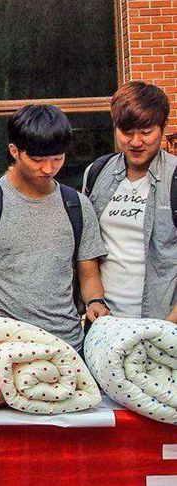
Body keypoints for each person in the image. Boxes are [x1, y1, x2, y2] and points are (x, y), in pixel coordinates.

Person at [0, 104, 109, 352]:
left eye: (57, 158)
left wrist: (95, 302)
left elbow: (88, 272)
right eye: (37, 159)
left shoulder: (77, 205)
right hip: (3, 348)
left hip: (67, 347)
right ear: (14, 150)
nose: (49, 168)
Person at [82, 81, 177, 322]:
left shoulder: (173, 177)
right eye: (127, 132)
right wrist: (93, 301)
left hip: (162, 320)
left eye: (146, 132)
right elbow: (86, 247)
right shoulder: (97, 172)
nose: (135, 142)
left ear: (163, 127)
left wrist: (169, 326)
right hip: (107, 322)